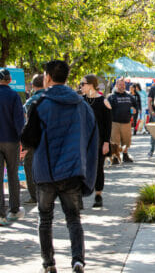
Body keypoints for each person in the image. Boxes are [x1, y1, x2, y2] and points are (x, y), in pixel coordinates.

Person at [21, 60, 98, 273]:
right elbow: (92, 135)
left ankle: (49, 264)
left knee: (45, 219)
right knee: (74, 219)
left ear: (47, 77)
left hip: (46, 171)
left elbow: (29, 138)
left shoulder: (41, 103)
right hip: (72, 170)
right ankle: (78, 261)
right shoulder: (82, 105)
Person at [80, 74, 112, 208]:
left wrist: (106, 142)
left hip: (98, 141)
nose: (81, 87)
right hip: (82, 141)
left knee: (98, 168)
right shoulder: (80, 101)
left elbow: (108, 124)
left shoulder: (103, 101)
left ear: (91, 85)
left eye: (83, 84)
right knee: (81, 168)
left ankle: (98, 195)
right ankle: (78, 196)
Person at [0, 68, 25, 226]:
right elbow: (19, 121)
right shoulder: (14, 96)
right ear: (10, 80)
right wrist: (22, 140)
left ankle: (0, 212)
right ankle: (14, 208)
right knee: (13, 174)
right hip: (11, 140)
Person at [22, 74, 45, 204]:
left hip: (34, 137)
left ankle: (35, 195)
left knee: (29, 164)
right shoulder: (51, 98)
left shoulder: (31, 101)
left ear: (33, 85)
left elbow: (25, 120)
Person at [108, 78, 137, 164]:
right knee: (115, 141)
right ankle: (115, 157)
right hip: (115, 122)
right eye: (120, 85)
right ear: (116, 85)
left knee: (126, 141)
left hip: (127, 122)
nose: (122, 86)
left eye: (123, 85)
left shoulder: (130, 97)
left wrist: (134, 110)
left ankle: (125, 155)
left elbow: (136, 107)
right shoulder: (111, 97)